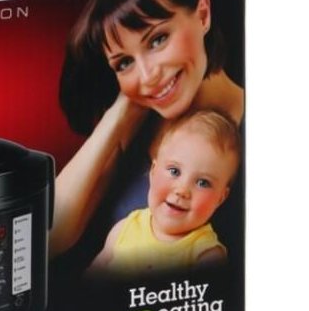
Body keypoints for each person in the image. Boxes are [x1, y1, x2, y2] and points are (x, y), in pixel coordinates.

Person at [54, 0, 244, 259]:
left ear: (203, 15)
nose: (147, 76)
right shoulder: (136, 126)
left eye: (157, 40)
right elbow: (48, 237)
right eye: (124, 63)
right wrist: (121, 110)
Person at [88, 110, 240, 274]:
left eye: (203, 182)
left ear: (220, 198)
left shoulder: (205, 256)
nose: (182, 190)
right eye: (174, 171)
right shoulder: (125, 228)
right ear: (153, 171)